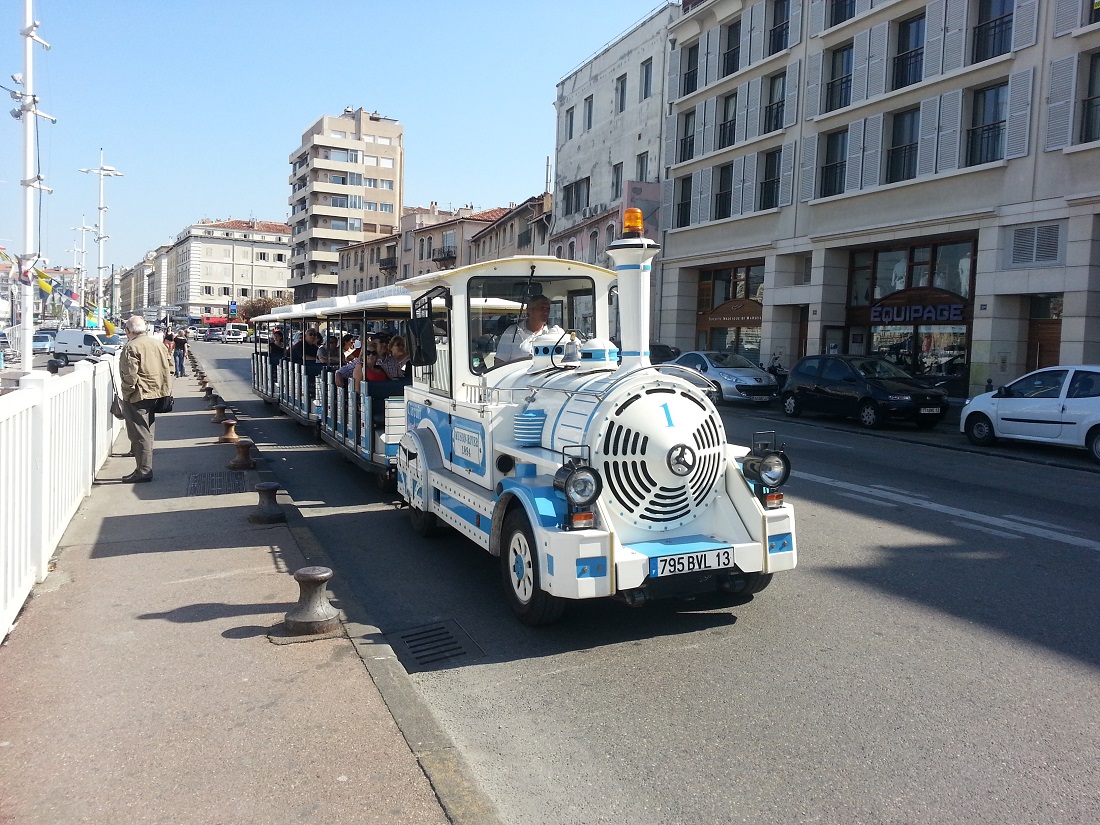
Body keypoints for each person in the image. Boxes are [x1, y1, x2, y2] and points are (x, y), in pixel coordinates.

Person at [118, 316, 173, 483]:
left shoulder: (131, 347)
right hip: (158, 393)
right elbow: (170, 367)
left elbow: (130, 375)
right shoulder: (158, 344)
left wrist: (127, 395)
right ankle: (144, 466)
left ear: (128, 331)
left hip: (139, 394)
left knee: (140, 433)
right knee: (148, 431)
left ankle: (143, 471)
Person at [494, 295, 564, 364]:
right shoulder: (512, 333)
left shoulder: (555, 333)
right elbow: (499, 362)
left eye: (547, 309)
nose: (545, 312)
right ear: (529, 310)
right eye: (541, 308)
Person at [267, 329, 285, 393]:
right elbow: (269, 354)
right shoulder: (271, 345)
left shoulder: (283, 345)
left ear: (280, 337)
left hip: (281, 362)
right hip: (274, 362)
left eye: (277, 336)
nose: (276, 338)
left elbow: (285, 353)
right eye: (275, 336)